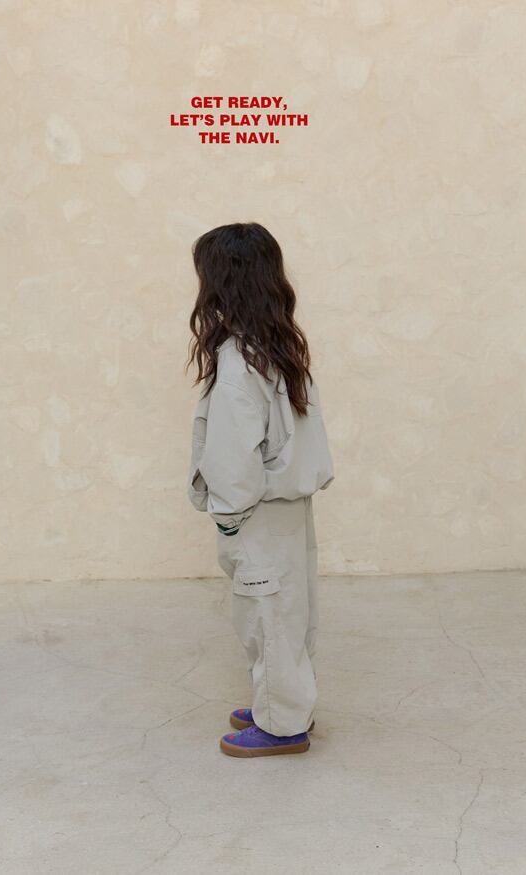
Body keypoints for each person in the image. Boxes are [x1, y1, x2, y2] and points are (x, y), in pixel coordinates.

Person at [185, 222, 335, 758]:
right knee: (290, 612)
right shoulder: (280, 348)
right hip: (290, 506)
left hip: (257, 510)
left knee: (266, 616)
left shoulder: (237, 362)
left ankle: (281, 724)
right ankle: (285, 703)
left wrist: (228, 519)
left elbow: (232, 460)